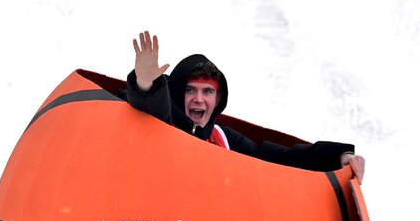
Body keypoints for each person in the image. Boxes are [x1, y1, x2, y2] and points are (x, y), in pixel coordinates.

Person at [126, 32, 366, 181]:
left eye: (208, 91)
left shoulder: (223, 139)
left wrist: (337, 156)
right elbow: (150, 119)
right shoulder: (164, 123)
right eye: (191, 90)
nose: (199, 99)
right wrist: (146, 83)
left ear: (218, 100)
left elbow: (282, 158)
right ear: (177, 93)